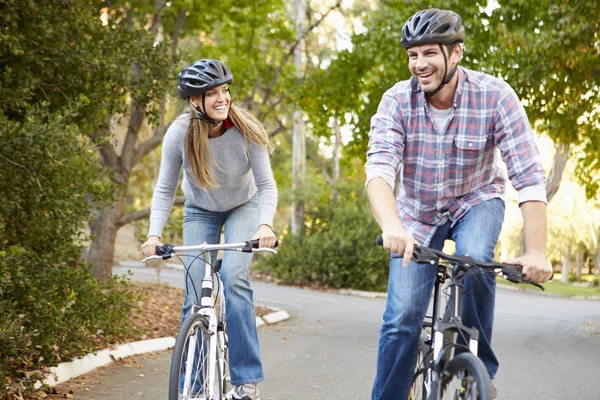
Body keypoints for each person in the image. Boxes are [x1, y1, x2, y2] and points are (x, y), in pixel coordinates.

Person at [365, 8, 553, 400]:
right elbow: (380, 170)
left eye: (430, 53)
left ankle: (476, 366)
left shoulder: (495, 95)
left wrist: (536, 251)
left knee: (474, 258)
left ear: (456, 53)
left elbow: (529, 176)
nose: (419, 64)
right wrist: (392, 226)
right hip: (416, 210)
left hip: (477, 200)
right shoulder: (396, 101)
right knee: (401, 320)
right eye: (413, 55)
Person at [140, 59, 277, 400]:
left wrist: (265, 225)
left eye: (225, 90)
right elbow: (163, 188)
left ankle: (246, 382)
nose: (222, 98)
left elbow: (267, 185)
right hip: (200, 211)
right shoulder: (180, 134)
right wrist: (154, 236)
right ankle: (193, 387)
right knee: (194, 299)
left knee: (234, 279)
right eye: (211, 93)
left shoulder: (247, 129)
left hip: (243, 207)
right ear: (194, 102)